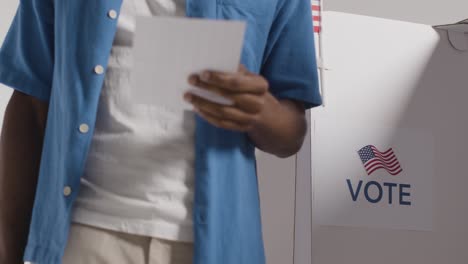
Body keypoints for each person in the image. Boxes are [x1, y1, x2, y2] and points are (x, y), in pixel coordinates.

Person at [0, 0, 322, 263]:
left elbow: (291, 130)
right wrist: (8, 250)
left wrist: (259, 112)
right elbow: (30, 100)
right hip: (84, 233)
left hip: (215, 245)